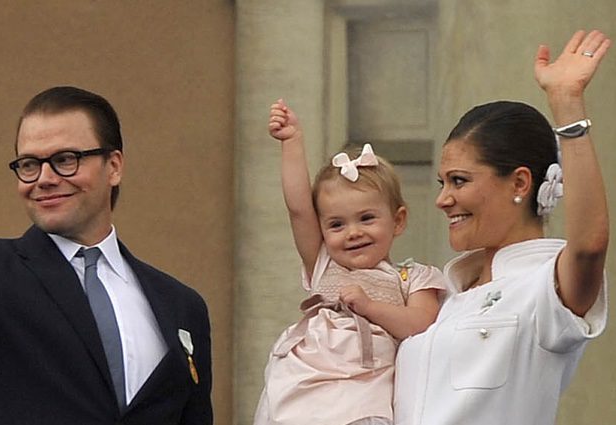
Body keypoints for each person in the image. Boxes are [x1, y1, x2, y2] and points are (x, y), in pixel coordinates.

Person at [0, 35, 212, 425]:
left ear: (114, 166)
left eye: (66, 159)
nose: (45, 178)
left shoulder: (182, 305)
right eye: (29, 164)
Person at [393, 29, 610, 425]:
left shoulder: (543, 291)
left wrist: (567, 104)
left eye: (459, 181)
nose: (443, 199)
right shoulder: (438, 299)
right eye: (443, 183)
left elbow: (589, 246)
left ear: (520, 183)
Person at [253, 100, 445, 425]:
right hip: (303, 389)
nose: (353, 233)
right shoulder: (324, 262)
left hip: (362, 396)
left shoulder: (412, 276)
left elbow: (421, 324)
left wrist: (370, 307)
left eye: (367, 218)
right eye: (337, 225)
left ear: (398, 220)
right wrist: (292, 142)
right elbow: (299, 208)